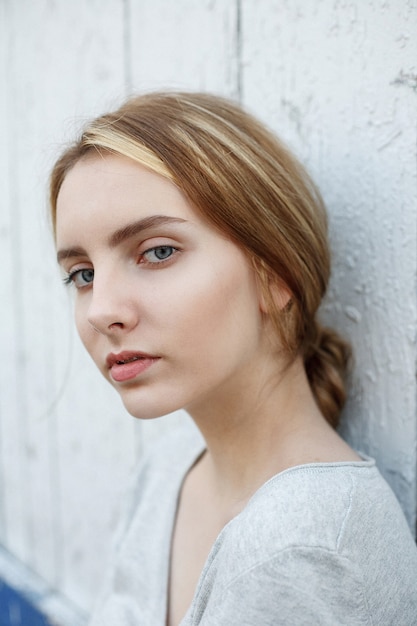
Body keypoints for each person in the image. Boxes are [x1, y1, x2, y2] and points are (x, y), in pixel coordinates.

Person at [50, 92, 417, 625]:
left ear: (275, 274)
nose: (101, 309)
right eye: (82, 273)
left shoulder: (307, 547)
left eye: (157, 252)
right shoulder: (170, 470)